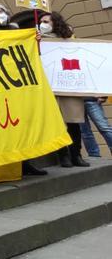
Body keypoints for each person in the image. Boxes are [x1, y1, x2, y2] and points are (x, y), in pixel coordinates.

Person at [0, 3, 47, 178]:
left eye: (0, 12)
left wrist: (34, 39)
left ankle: (27, 163)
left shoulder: (17, 31)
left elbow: (31, 53)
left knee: (24, 126)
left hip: (19, 84)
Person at [38, 11, 89, 167]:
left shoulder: (69, 39)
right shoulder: (39, 40)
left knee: (73, 122)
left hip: (68, 86)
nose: (43, 24)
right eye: (41, 21)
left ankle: (76, 154)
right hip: (51, 87)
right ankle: (63, 155)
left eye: (46, 21)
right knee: (57, 123)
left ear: (55, 23)